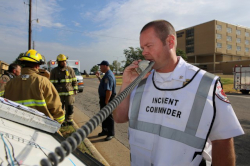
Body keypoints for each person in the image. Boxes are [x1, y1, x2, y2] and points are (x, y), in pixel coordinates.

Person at [114, 20, 244, 166]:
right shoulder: (140, 80)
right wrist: (126, 83)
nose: (144, 53)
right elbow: (118, 117)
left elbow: (223, 141)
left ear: (170, 42)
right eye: (142, 47)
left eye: (149, 46)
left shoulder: (205, 83)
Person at [4, 49, 65, 124]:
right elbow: (56, 108)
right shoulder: (43, 81)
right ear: (37, 65)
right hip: (41, 126)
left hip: (15, 125)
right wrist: (58, 124)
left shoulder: (10, 83)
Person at [50, 54, 78, 126]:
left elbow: (74, 80)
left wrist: (75, 89)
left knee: (70, 107)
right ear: (58, 62)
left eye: (65, 61)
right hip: (59, 93)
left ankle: (69, 120)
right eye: (62, 61)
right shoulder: (54, 71)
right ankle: (61, 121)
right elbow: (51, 83)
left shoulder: (70, 70)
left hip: (69, 93)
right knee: (60, 108)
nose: (64, 63)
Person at [96, 60, 116, 141]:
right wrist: (98, 77)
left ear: (105, 66)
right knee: (103, 115)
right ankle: (105, 130)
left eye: (101, 66)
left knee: (108, 116)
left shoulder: (108, 75)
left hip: (107, 97)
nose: (100, 68)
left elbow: (109, 90)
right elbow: (104, 83)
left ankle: (111, 133)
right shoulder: (106, 75)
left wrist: (107, 101)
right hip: (105, 97)